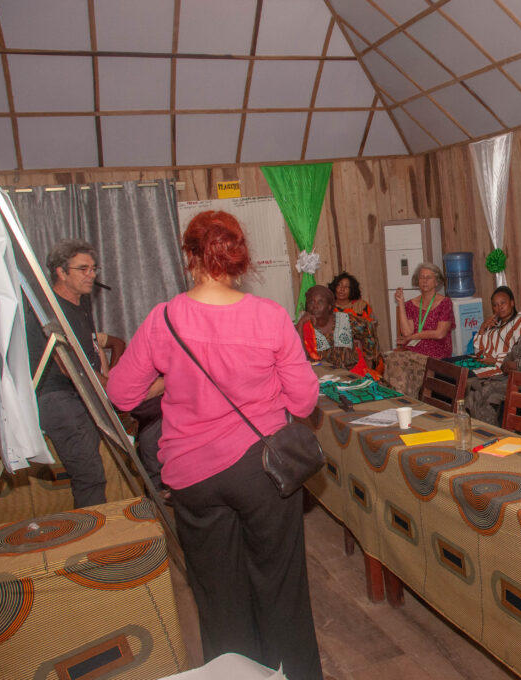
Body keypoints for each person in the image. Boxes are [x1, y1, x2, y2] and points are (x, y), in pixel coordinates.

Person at [106, 211, 323, 678]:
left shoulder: (164, 319)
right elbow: (304, 401)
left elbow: (121, 394)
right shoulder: (269, 316)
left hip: (193, 476)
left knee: (218, 594)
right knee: (280, 587)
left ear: (190, 256)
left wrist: (169, 379)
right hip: (263, 470)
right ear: (240, 256)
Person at [25, 240, 114, 508]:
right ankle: (93, 541)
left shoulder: (81, 303)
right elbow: (70, 365)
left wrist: (109, 386)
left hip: (82, 393)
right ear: (61, 272)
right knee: (89, 475)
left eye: (94, 268)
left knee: (94, 472)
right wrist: (111, 388)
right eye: (83, 269)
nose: (92, 274)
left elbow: (92, 347)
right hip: (58, 395)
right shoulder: (48, 308)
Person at [464, 288, 521, 424]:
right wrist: (506, 363)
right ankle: (473, 429)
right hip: (511, 375)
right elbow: (512, 352)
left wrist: (515, 365)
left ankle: (490, 434)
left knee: (487, 390)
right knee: (474, 385)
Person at [384, 262, 455, 397]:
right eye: (421, 277)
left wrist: (414, 337)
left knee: (398, 361)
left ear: (437, 281)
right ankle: (402, 400)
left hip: (435, 354)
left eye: (429, 277)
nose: (424, 281)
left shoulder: (445, 303)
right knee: (393, 358)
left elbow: (440, 333)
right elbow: (407, 332)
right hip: (413, 353)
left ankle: (403, 401)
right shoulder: (411, 304)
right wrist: (401, 303)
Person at [298, 285, 381, 376]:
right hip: (323, 380)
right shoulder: (304, 327)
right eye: (311, 302)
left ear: (329, 306)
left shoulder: (345, 320)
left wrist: (369, 360)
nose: (315, 306)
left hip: (352, 375)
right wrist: (301, 324)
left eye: (320, 302)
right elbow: (299, 358)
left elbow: (368, 327)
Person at [466, 286, 521, 367]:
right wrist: (482, 329)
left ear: (512, 303)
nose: (499, 307)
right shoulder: (494, 324)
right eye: (495, 305)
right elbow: (478, 352)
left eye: (503, 303)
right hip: (485, 367)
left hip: (503, 371)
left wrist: (495, 361)